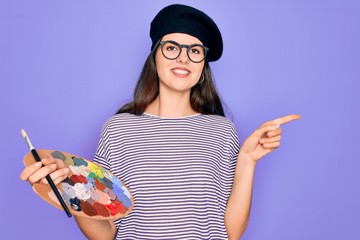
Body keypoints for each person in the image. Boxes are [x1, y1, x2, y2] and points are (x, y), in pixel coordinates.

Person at [20, 4, 300, 240]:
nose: (183, 58)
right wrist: (70, 195)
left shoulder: (221, 131)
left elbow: (231, 230)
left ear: (203, 65)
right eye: (172, 47)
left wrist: (247, 161)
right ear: (155, 56)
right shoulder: (117, 129)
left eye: (195, 50)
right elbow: (106, 233)